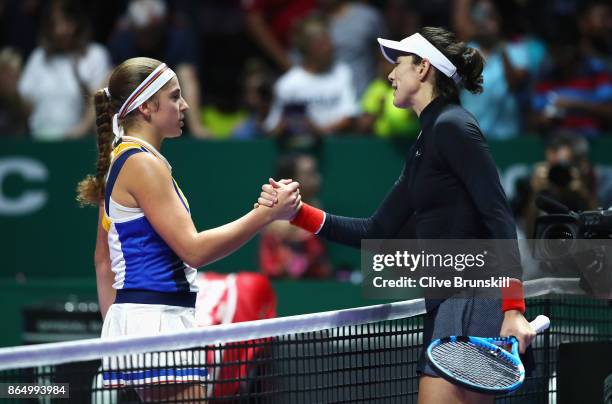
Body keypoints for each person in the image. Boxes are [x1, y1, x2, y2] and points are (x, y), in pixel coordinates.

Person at [258, 27, 536, 403]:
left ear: (423, 69)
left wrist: (514, 308)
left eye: (399, 64)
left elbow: (499, 216)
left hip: (471, 297)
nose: (390, 74)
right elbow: (376, 230)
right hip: (447, 302)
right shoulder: (427, 140)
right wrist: (297, 213)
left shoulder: (453, 125)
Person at [76, 57, 300, 401]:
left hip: (143, 322)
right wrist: (266, 215)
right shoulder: (142, 164)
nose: (185, 105)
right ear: (148, 107)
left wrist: (120, 329)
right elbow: (193, 250)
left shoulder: (126, 159)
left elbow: (102, 260)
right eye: (175, 96)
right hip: (157, 323)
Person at [17, 0, 111, 140]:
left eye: (67, 22)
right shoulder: (39, 57)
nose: (60, 30)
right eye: (54, 24)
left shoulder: (95, 54)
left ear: (78, 22)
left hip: (78, 142)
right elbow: (25, 103)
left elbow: (100, 104)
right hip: (39, 139)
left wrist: (79, 131)